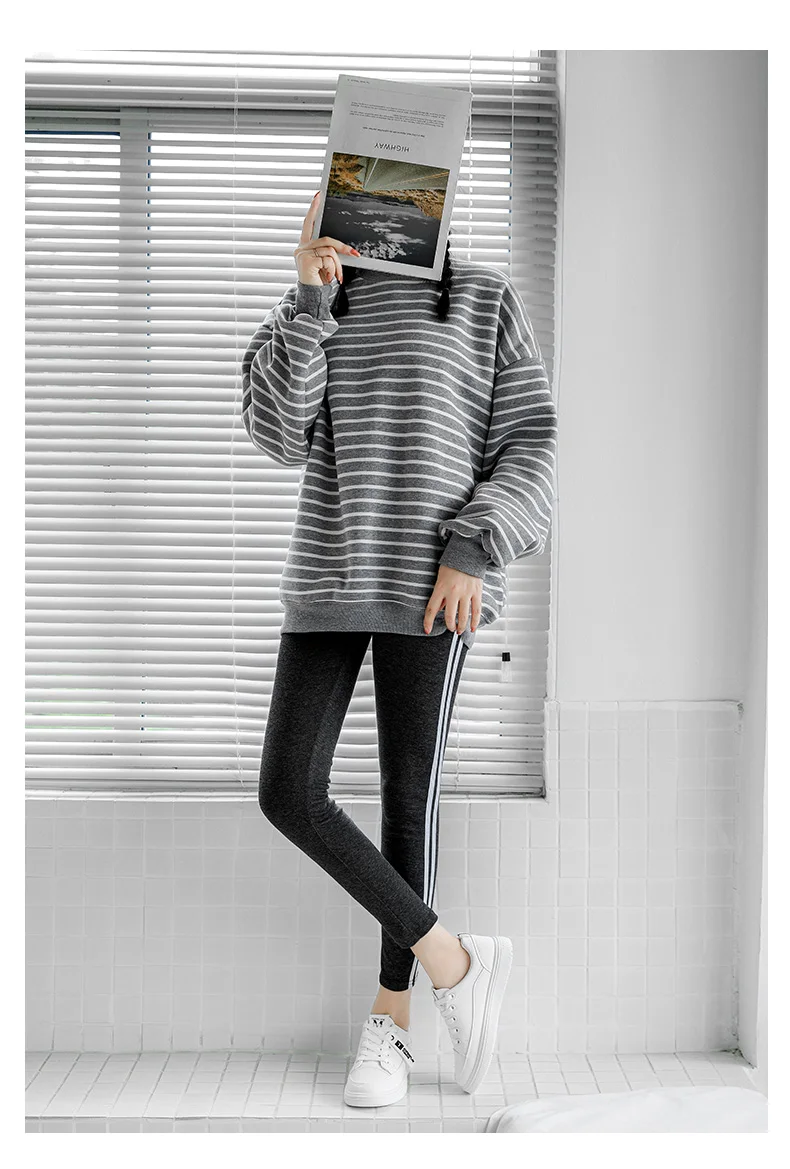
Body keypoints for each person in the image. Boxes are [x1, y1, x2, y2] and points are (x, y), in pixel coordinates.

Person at [241, 192, 558, 1108]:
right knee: (288, 791)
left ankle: (392, 1020)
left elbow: (530, 443)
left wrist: (474, 547)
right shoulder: (314, 304)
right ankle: (454, 960)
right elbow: (277, 434)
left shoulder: (485, 300)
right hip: (330, 575)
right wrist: (311, 297)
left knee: (405, 800)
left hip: (435, 587)